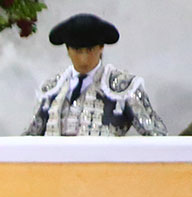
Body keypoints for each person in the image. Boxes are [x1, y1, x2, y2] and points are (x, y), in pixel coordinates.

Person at [23, 13, 166, 136]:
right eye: (78, 50)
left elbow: (156, 135)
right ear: (68, 50)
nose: (84, 59)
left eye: (90, 50)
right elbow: (29, 139)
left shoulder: (123, 87)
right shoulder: (52, 89)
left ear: (101, 47)